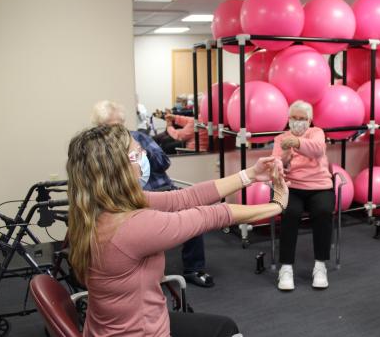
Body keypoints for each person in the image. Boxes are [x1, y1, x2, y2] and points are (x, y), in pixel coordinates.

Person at [66, 124, 288, 337]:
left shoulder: (99, 209)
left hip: (116, 326)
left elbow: (185, 197)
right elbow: (210, 215)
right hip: (141, 332)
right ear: (118, 170)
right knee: (225, 329)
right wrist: (276, 206)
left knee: (225, 327)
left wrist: (250, 175)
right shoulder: (131, 226)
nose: (144, 158)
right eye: (136, 154)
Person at [91, 101, 214, 287]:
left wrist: (142, 153)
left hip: (164, 190)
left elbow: (164, 162)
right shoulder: (97, 149)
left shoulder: (138, 137)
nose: (116, 132)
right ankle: (146, 275)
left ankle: (194, 268)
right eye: (109, 127)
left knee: (194, 212)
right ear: (99, 128)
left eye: (119, 126)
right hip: (134, 201)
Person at [271, 100, 335, 291]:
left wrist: (297, 142)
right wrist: (284, 158)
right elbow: (275, 166)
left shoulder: (317, 133)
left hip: (320, 186)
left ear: (310, 120)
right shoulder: (280, 138)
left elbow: (317, 149)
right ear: (288, 119)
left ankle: (320, 266)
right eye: (294, 118)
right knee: (290, 213)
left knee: (323, 211)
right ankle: (286, 267)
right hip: (293, 186)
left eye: (302, 119)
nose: (298, 122)